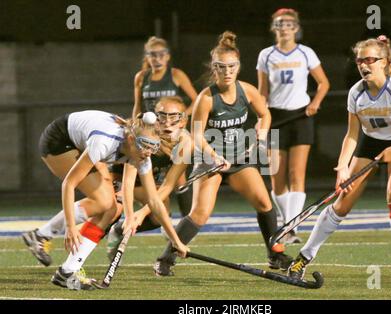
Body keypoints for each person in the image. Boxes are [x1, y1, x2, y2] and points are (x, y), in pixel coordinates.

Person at [287, 35, 391, 282]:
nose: (364, 65)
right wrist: (342, 166)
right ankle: (303, 257)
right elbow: (352, 134)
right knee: (342, 203)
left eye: (370, 60)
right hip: (371, 141)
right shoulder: (356, 93)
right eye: (359, 61)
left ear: (384, 62)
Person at [153, 31, 294, 277]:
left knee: (264, 202)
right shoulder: (205, 99)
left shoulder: (248, 91)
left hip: (240, 159)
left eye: (231, 66)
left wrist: (261, 132)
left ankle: (275, 254)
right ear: (214, 68)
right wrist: (213, 155)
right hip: (210, 160)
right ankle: (166, 257)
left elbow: (265, 114)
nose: (227, 71)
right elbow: (196, 135)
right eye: (221, 67)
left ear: (238, 67)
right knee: (200, 213)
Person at [24, 110, 189, 290]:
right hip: (60, 141)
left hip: (83, 142)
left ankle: (67, 271)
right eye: (146, 146)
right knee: (104, 203)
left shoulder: (140, 154)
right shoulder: (105, 142)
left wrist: (175, 241)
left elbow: (154, 201)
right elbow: (69, 185)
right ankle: (47, 242)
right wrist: (71, 227)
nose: (148, 153)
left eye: (154, 148)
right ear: (132, 140)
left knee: (112, 209)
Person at [257, 8, 330, 244]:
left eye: (289, 23)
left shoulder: (306, 52)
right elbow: (262, 93)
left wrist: (315, 103)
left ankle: (291, 226)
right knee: (277, 177)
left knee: (296, 173)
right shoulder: (266, 55)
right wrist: (261, 117)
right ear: (273, 28)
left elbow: (323, 83)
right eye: (280, 23)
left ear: (296, 28)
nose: (285, 27)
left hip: (300, 116)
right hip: (276, 117)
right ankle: (286, 222)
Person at [106, 96, 194, 259]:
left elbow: (168, 185)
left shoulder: (186, 143)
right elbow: (128, 180)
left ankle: (118, 230)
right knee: (111, 209)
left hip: (147, 180)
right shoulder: (146, 136)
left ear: (183, 121)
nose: (167, 122)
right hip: (120, 174)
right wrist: (132, 214)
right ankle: (74, 258)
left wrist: (142, 212)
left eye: (173, 117)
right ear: (155, 117)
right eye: (162, 116)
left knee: (157, 217)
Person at [133, 36, 198, 217]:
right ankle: (161, 217)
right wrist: (134, 126)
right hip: (150, 134)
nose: (157, 59)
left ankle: (187, 219)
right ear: (147, 57)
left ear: (168, 56)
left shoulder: (176, 75)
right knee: (153, 175)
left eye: (161, 55)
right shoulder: (141, 77)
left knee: (179, 177)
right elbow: (137, 107)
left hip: (172, 132)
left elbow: (196, 99)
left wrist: (181, 118)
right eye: (153, 55)